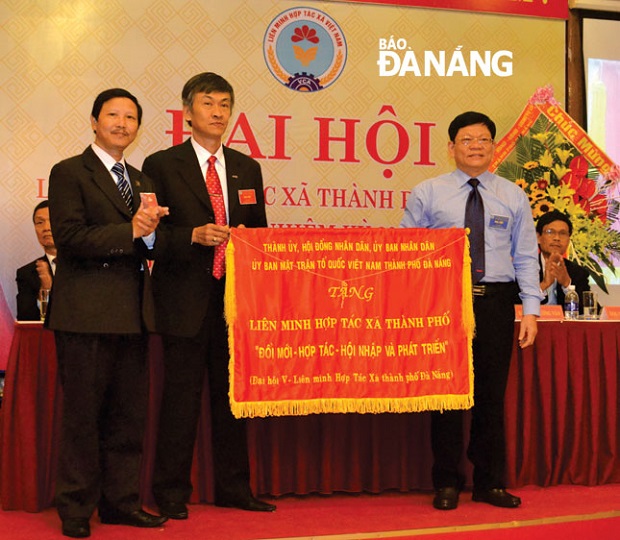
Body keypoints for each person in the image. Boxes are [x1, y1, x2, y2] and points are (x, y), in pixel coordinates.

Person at [142, 72, 274, 520]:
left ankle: (234, 488)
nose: (218, 113)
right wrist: (192, 236)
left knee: (232, 399)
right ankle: (171, 492)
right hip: (183, 298)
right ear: (187, 112)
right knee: (180, 400)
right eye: (208, 104)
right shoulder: (160, 164)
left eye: (224, 104)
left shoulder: (246, 167)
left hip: (234, 303)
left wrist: (247, 241)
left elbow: (259, 234)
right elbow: (149, 238)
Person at [400, 111, 542, 510]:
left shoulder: (512, 195)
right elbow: (409, 252)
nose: (476, 146)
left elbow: (526, 256)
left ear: (493, 147)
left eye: (483, 139)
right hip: (445, 302)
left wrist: (529, 310)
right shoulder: (428, 193)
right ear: (451, 148)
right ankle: (446, 482)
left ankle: (489, 483)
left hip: (496, 303)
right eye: (467, 139)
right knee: (446, 394)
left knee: (490, 398)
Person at [47, 88, 169, 538]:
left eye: (131, 117)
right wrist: (130, 229)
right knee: (83, 416)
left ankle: (121, 503)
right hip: (85, 311)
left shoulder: (139, 180)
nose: (122, 123)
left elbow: (145, 244)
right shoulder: (69, 172)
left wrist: (151, 234)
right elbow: (70, 236)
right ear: (95, 121)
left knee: (127, 417)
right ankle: (75, 509)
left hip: (132, 311)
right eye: (113, 115)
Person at [536, 209, 590, 312]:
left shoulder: (577, 272)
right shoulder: (523, 268)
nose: (557, 238)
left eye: (563, 233)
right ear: (538, 237)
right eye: (550, 232)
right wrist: (544, 285)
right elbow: (511, 304)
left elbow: (589, 309)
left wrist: (567, 285)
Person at [16, 200, 57, 320]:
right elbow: (25, 318)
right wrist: (45, 292)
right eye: (40, 222)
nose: (46, 228)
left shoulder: (84, 265)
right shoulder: (27, 273)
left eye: (52, 220)